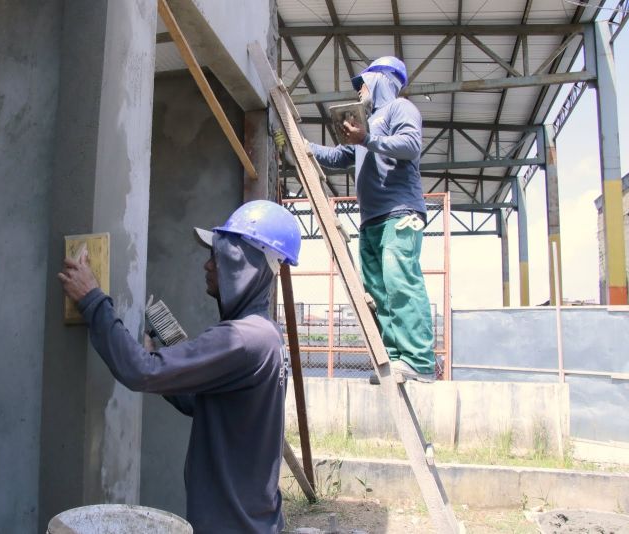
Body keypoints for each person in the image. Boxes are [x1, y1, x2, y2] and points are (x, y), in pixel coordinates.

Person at [58, 200, 301, 533]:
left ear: (239, 261)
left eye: (216, 255)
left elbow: (139, 372)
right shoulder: (266, 335)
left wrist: (91, 299)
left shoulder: (245, 339)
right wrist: (160, 361)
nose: (207, 266)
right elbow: (199, 403)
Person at [308, 56, 436, 383]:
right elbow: (338, 157)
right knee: (379, 292)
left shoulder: (399, 110)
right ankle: (394, 358)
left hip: (401, 213)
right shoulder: (369, 125)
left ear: (381, 79)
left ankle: (418, 360)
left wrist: (367, 139)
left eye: (363, 81)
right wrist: (303, 146)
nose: (359, 89)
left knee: (400, 282)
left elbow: (409, 144)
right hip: (372, 221)